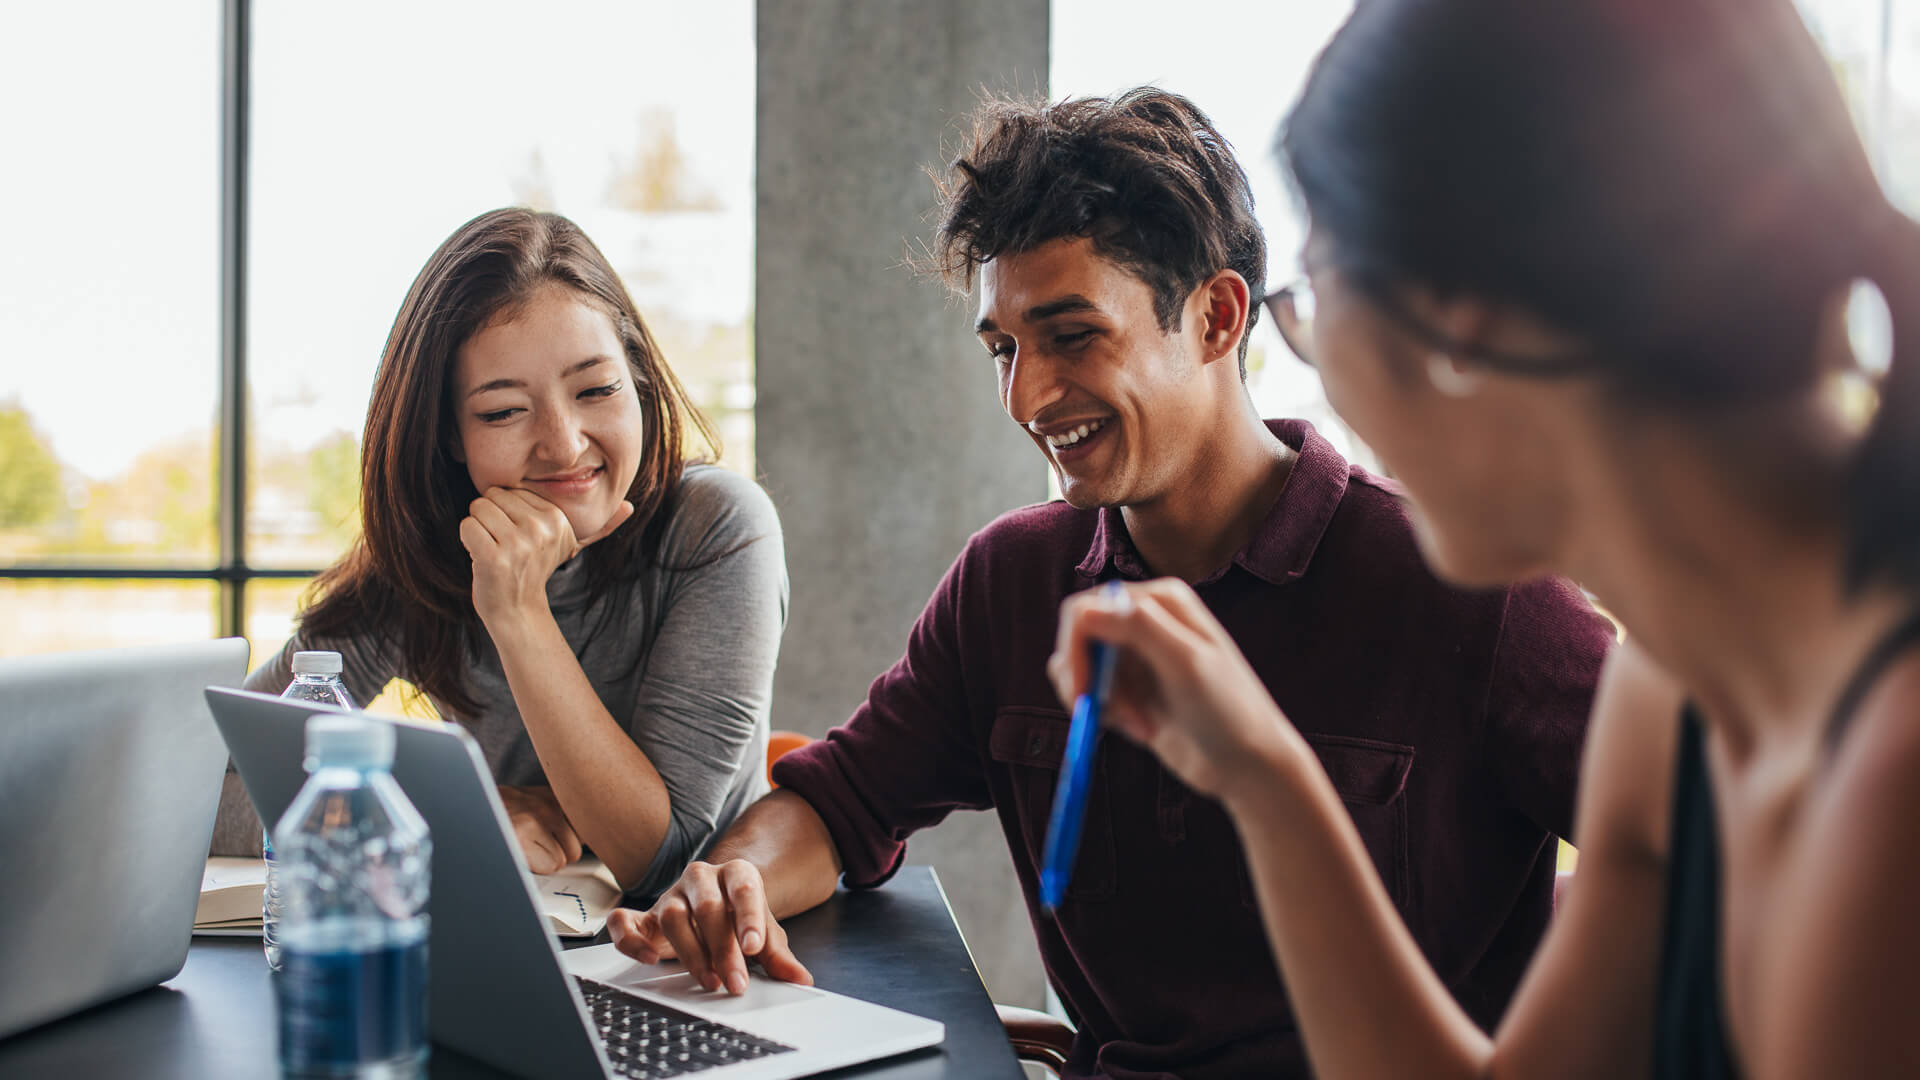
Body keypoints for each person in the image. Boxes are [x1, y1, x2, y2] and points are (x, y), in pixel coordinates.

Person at [609, 89, 1615, 1078]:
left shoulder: (1474, 595)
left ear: (1218, 317)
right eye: (1004, 349)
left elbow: (1708, 880)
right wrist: (733, 877)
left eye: (1072, 335)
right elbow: (844, 803)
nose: (1028, 396)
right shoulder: (1012, 582)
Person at [1050, 2, 1920, 1077]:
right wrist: (1265, 779)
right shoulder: (1670, 691)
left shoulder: (1891, 775)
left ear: (1468, 325)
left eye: (1314, 296)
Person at [213, 208, 787, 901]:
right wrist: (457, 810)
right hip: (506, 944)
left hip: (693, 964)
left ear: (636, 380)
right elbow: (206, 784)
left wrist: (517, 611)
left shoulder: (717, 528)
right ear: (450, 436)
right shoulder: (431, 556)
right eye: (503, 411)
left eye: (596, 390)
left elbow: (658, 858)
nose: (564, 443)